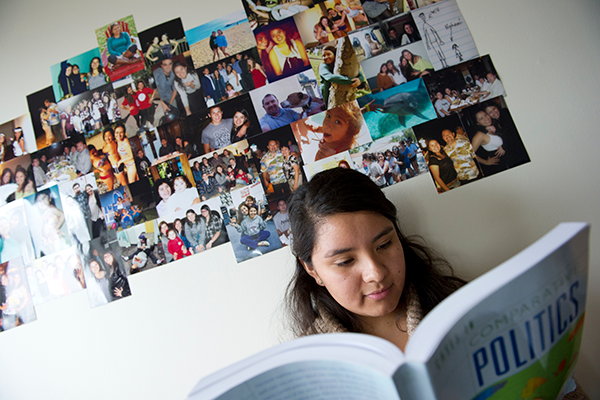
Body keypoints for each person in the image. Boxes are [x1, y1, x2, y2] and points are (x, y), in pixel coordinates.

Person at [284, 168, 465, 349]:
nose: (376, 274)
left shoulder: (463, 305)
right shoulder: (306, 359)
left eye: (384, 245)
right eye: (345, 261)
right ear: (312, 270)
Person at [296, 101, 364, 161]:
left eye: (337, 122)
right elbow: (316, 129)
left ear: (349, 133)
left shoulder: (346, 150)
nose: (326, 125)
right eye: (328, 116)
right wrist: (308, 126)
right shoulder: (329, 131)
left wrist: (331, 159)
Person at [470, 110, 506, 176]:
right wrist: (486, 162)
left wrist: (502, 145)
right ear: (477, 123)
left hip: (508, 161)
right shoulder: (479, 135)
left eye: (485, 115)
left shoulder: (492, 127)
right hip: (499, 167)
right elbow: (470, 154)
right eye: (481, 118)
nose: (486, 118)